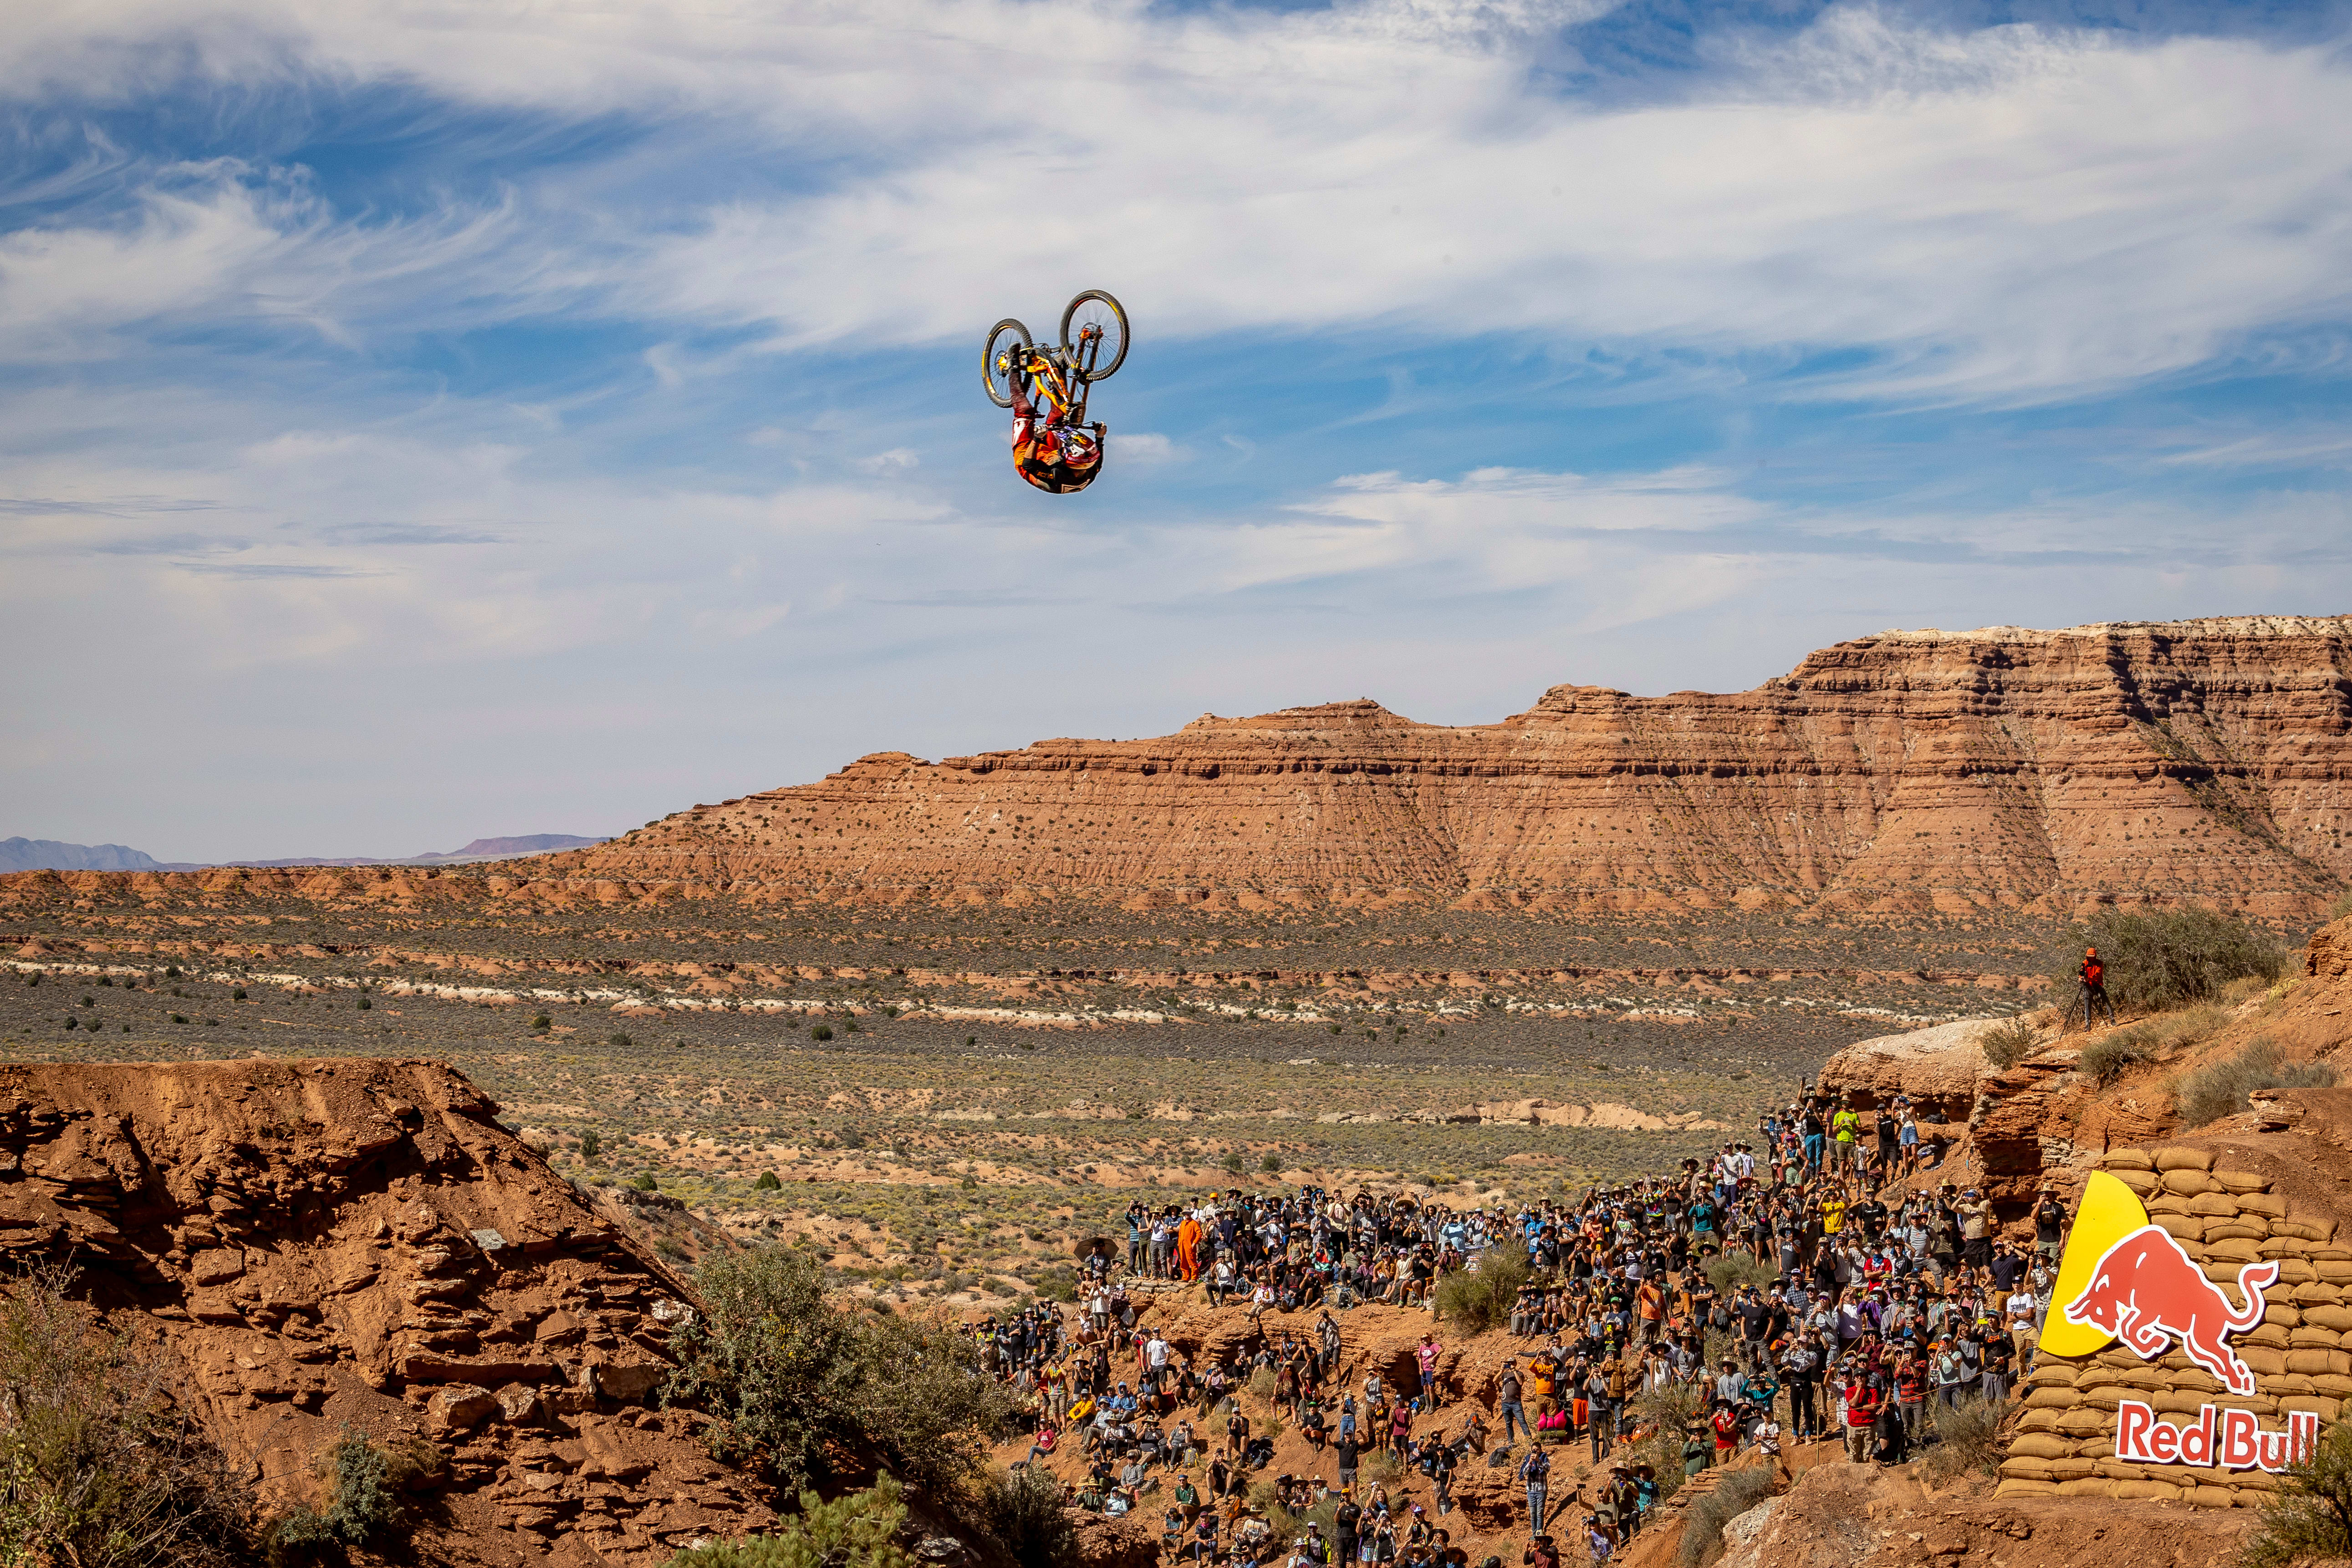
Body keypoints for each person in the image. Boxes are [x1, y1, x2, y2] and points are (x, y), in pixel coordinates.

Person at [1005, 348, 1104, 494]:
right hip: (1055, 457)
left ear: (1069, 463)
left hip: (1030, 463)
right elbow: (1098, 461)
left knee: (1025, 412)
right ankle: (1059, 368)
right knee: (1059, 418)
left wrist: (1036, 440)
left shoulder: (1057, 476)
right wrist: (1100, 437)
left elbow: (1029, 466)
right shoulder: (1091, 465)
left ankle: (1012, 367)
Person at [2076, 947, 2117, 1026]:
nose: (2091, 958)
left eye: (2092, 956)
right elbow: (2082, 972)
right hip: (2088, 986)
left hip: (2097, 985)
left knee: (2106, 1001)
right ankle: (2088, 1025)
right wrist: (2080, 978)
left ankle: (2112, 1019)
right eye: (2089, 956)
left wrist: (2089, 979)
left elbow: (2097, 975)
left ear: (2095, 956)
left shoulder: (2100, 963)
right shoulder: (2085, 963)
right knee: (2087, 1005)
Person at [1519, 1443, 1551, 1532]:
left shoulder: (1544, 1458)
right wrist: (1530, 1462)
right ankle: (1534, 1533)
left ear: (1540, 1450)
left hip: (1541, 1490)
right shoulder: (1528, 1459)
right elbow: (1524, 1473)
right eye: (1534, 1450)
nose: (1536, 1451)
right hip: (1531, 1490)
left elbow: (1548, 1469)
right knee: (1533, 1514)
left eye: (1537, 1449)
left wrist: (1538, 1461)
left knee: (1540, 1513)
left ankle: (1539, 1532)